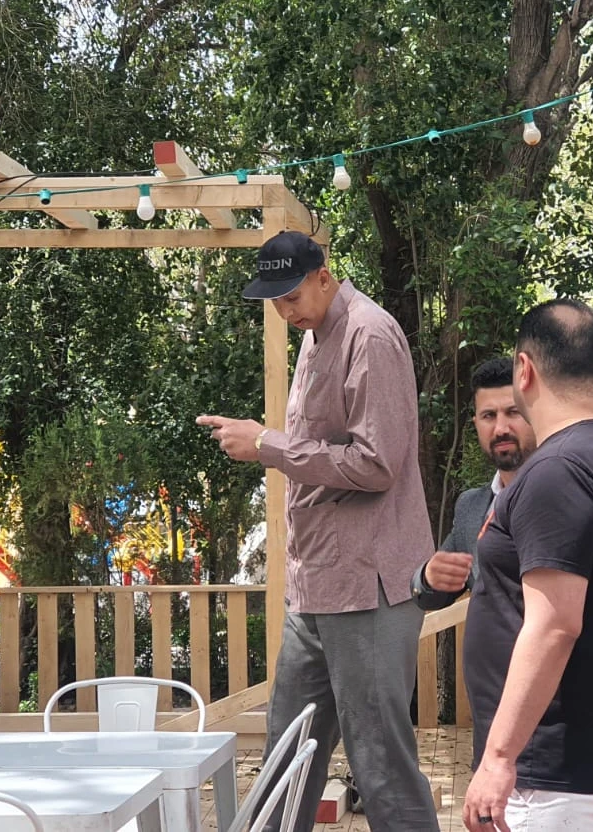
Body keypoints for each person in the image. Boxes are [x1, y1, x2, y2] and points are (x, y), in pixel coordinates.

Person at [196, 231, 440, 830]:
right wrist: (270, 444)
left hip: (368, 587)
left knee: (380, 764)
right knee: (287, 756)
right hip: (315, 586)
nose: (285, 310)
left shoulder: (370, 334)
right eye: (275, 301)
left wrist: (266, 444)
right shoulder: (313, 336)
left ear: (324, 277)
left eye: (292, 295)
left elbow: (377, 464)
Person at [462, 299, 593, 832]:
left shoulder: (558, 470)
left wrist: (499, 757)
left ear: (524, 371)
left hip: (557, 774)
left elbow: (554, 625)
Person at [413, 357, 537, 608]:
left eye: (513, 412)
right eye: (489, 416)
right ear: (476, 424)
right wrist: (428, 577)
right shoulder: (471, 506)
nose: (501, 428)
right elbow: (433, 595)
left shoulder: (567, 493)